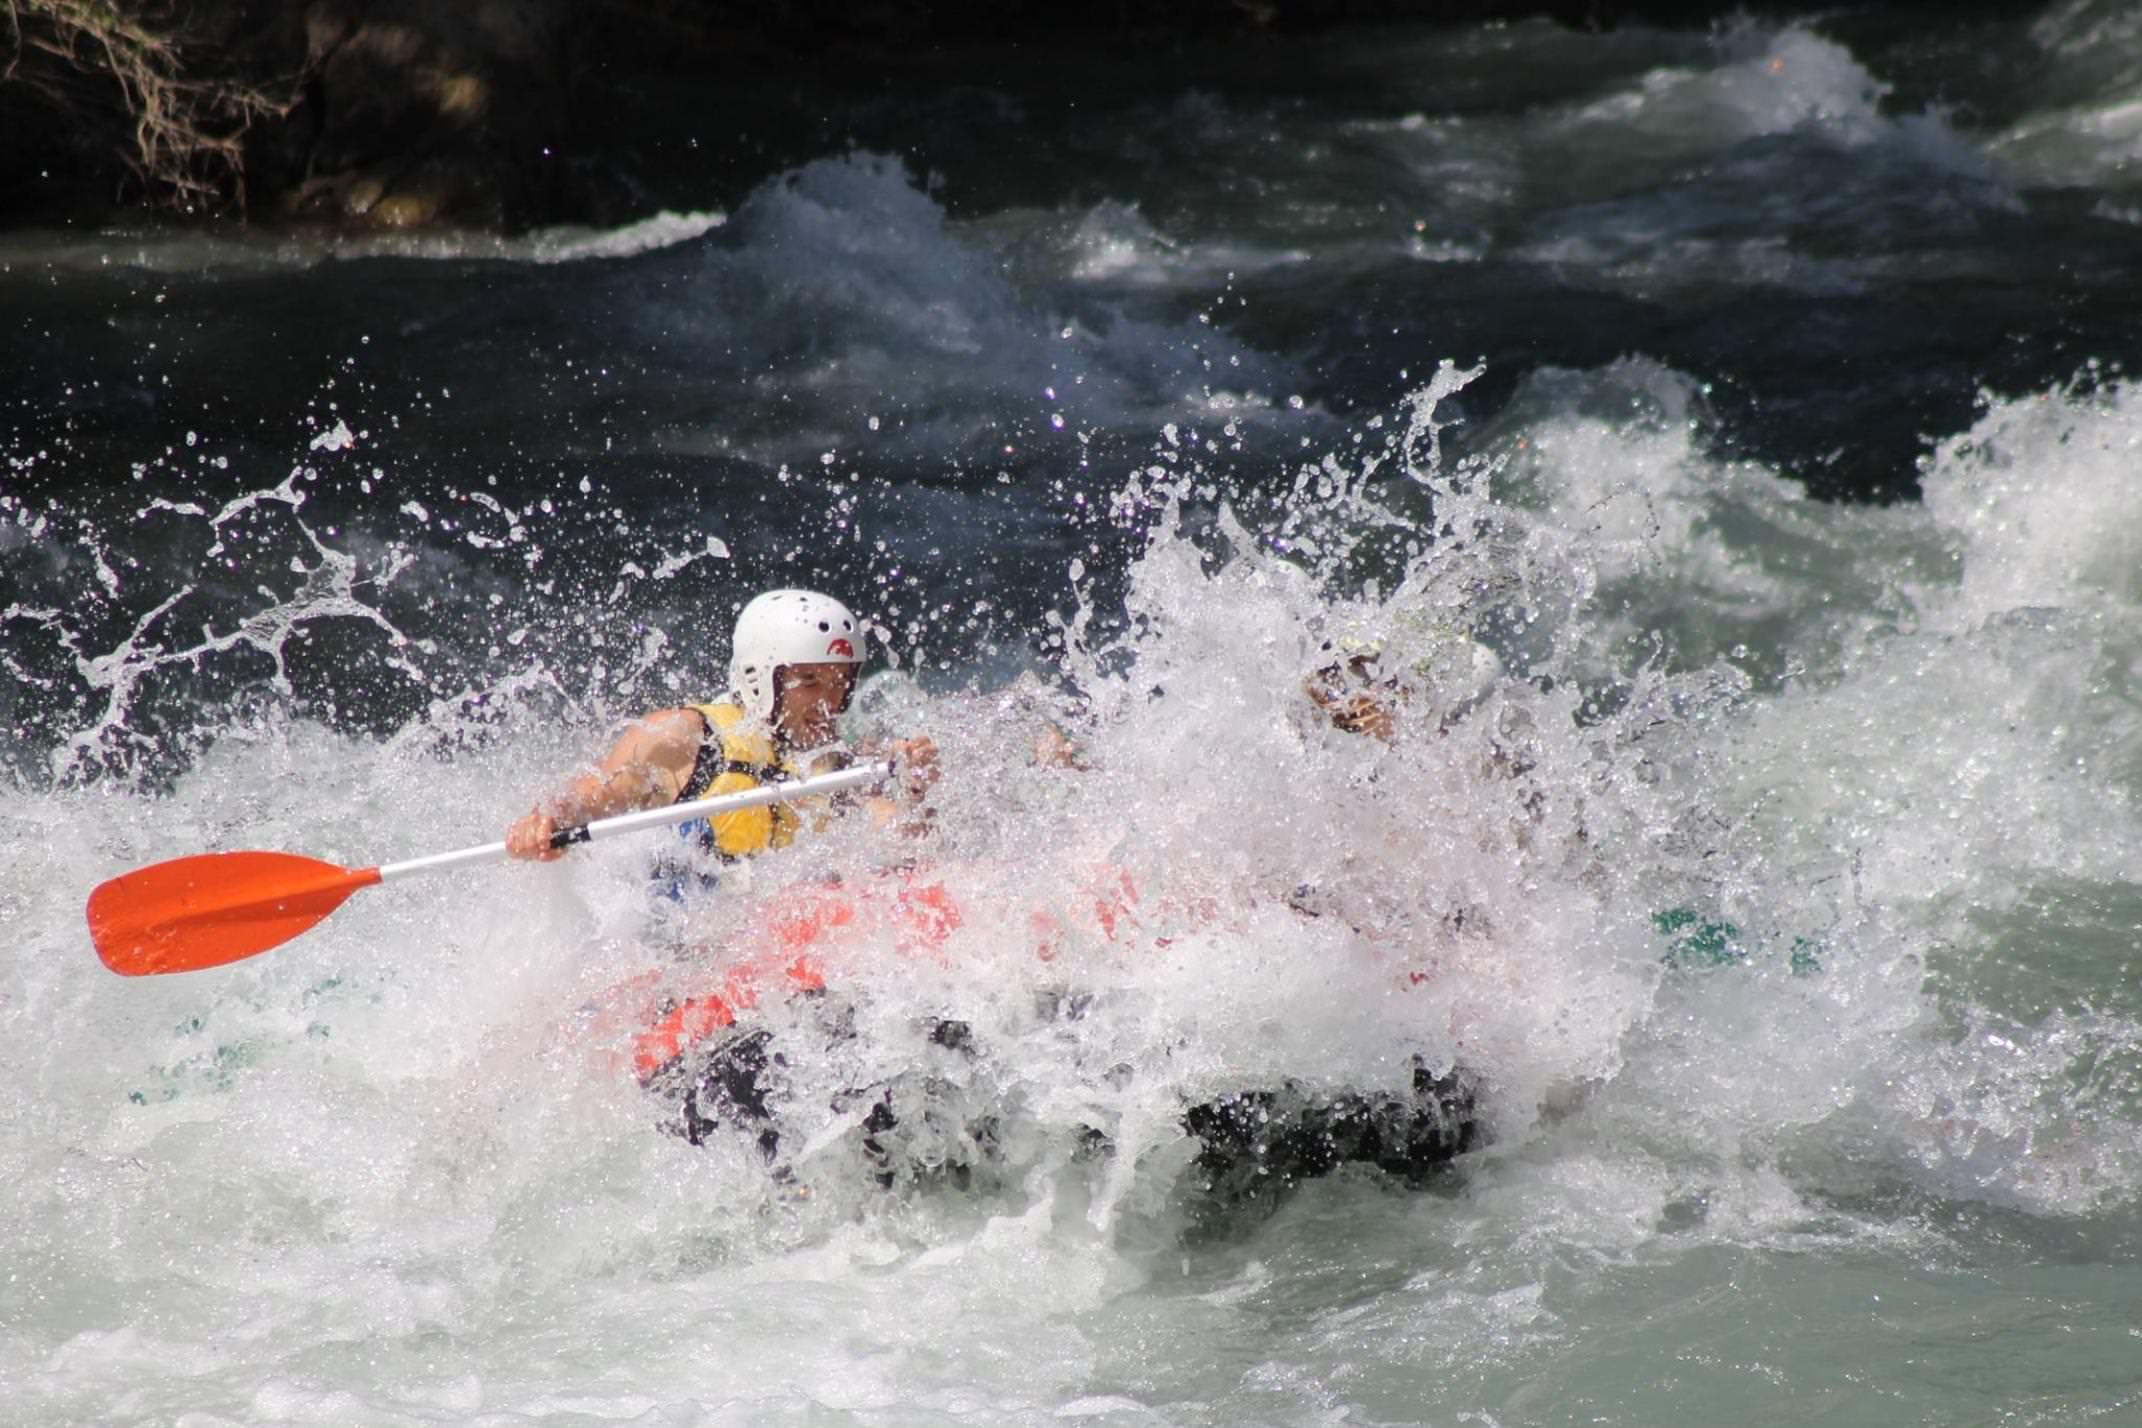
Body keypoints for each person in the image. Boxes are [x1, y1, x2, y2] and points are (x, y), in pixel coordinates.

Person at [505, 588, 936, 870]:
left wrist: (913, 791)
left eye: (841, 682)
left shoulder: (843, 764)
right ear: (759, 678)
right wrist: (546, 822)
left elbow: (903, 847)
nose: (829, 701)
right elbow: (585, 797)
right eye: (808, 682)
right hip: (685, 953)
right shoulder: (681, 738)